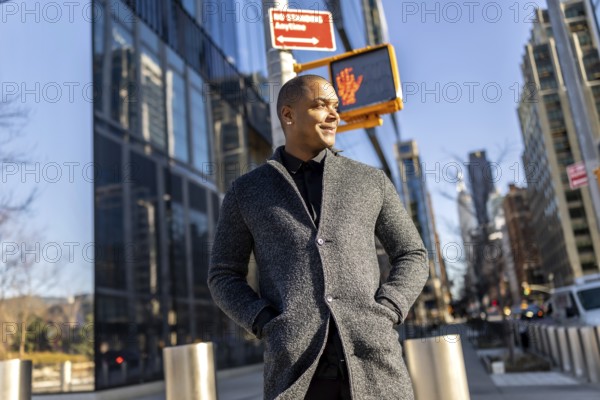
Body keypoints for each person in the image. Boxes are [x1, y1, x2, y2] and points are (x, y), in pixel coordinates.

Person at [208, 74, 428, 400]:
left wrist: (389, 308)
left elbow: (412, 253)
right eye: (319, 106)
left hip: (375, 366)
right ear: (288, 114)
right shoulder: (247, 191)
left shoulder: (370, 180)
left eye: (335, 107)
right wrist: (266, 321)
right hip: (296, 373)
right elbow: (223, 275)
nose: (333, 115)